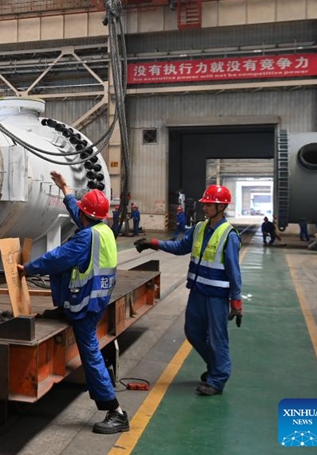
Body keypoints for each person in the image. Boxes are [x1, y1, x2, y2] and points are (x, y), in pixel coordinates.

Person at [18, 171, 128, 434]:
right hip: (96, 298)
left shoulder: (85, 238)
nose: (79, 215)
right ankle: (63, 310)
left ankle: (115, 410)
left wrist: (28, 269)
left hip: (85, 305)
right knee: (89, 349)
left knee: (90, 353)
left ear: (87, 215)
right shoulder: (104, 230)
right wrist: (65, 188)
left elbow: (57, 258)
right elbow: (78, 213)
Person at [134, 184, 242, 396]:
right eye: (205, 203)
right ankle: (215, 367)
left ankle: (218, 379)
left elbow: (234, 270)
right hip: (197, 292)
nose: (205, 207)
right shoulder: (199, 228)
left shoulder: (229, 235)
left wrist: (236, 300)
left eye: (209, 204)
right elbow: (181, 247)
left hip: (217, 296)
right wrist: (153, 243)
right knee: (193, 333)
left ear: (221, 207)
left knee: (218, 338)